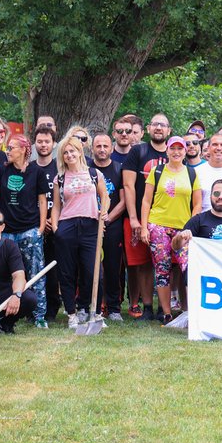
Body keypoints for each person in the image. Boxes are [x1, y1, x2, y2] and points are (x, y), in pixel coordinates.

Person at [141, 136, 203, 322]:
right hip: (158, 225)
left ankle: (189, 311)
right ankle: (166, 313)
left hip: (183, 227)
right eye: (173, 148)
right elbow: (146, 200)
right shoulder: (157, 171)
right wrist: (144, 227)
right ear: (167, 151)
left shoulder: (191, 173)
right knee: (162, 269)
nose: (176, 152)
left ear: (185, 151)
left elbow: (198, 203)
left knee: (187, 267)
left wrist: (191, 227)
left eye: (180, 149)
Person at [52, 133, 110, 328]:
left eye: (73, 151)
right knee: (67, 273)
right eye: (65, 152)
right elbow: (57, 207)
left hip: (91, 225)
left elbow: (105, 195)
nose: (69, 155)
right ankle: (71, 314)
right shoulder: (59, 178)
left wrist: (104, 211)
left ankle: (94, 312)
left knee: (93, 272)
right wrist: (57, 229)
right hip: (67, 226)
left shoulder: (94, 174)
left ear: (80, 152)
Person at [0, 134, 48, 328]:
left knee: (35, 273)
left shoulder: (37, 172)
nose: (8, 151)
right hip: (5, 232)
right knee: (3, 275)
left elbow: (42, 201)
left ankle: (39, 315)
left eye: (12, 148)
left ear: (23, 150)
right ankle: (0, 315)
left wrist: (40, 227)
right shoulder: (0, 172)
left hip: (29, 230)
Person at [123, 113, 170, 318]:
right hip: (142, 218)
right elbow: (128, 186)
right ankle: (148, 308)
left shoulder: (175, 152)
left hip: (166, 219)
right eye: (155, 124)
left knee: (166, 265)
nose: (158, 128)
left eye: (163, 125)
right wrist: (134, 218)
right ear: (148, 129)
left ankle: (164, 308)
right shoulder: (138, 151)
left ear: (169, 131)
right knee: (143, 264)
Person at [91, 132, 126, 318]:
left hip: (112, 225)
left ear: (111, 149)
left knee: (113, 267)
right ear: (92, 149)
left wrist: (108, 218)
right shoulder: (85, 169)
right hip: (89, 224)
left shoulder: (119, 169)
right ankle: (91, 306)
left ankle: (113, 308)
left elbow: (123, 200)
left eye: (105, 146)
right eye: (98, 146)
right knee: (88, 267)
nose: (102, 149)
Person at [33, 124, 63, 323]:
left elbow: (65, 197)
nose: (43, 145)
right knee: (33, 269)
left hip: (56, 225)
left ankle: (52, 308)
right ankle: (33, 307)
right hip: (34, 226)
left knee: (53, 270)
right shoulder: (30, 168)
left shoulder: (59, 168)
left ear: (53, 144)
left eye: (47, 141)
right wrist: (41, 222)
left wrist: (54, 219)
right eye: (40, 141)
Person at [173, 178, 222, 250]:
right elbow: (175, 246)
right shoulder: (198, 220)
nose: (221, 197)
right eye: (216, 193)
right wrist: (180, 237)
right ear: (210, 196)